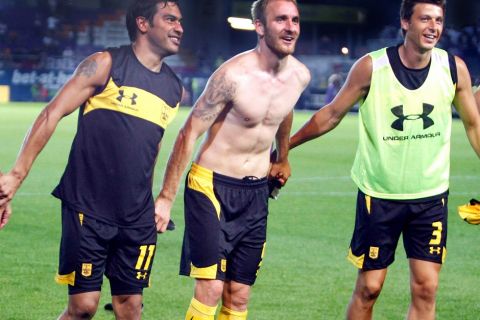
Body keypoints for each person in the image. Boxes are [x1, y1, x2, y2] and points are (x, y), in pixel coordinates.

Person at [288, 1, 480, 319]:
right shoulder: (371, 67)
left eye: (439, 20)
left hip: (431, 198)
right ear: (405, 23)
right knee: (369, 289)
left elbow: (474, 125)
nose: (433, 27)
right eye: (425, 19)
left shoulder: (452, 67)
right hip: (379, 197)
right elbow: (332, 114)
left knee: (426, 288)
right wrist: (285, 148)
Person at [0, 1, 184, 319]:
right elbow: (51, 113)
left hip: (137, 214)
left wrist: (162, 199)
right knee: (83, 308)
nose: (179, 27)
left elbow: (150, 147)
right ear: (143, 24)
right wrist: (16, 175)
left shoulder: (174, 89)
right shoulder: (104, 63)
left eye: (180, 21)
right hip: (89, 205)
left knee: (131, 308)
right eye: (169, 19)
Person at [154, 0, 310, 319]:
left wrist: (282, 157)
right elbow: (189, 133)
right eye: (280, 19)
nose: (290, 27)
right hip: (211, 187)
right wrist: (166, 198)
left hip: (256, 193)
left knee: (238, 297)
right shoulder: (232, 75)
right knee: (210, 288)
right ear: (260, 27)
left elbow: (284, 112)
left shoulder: (300, 76)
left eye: (294, 19)